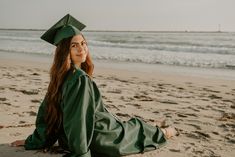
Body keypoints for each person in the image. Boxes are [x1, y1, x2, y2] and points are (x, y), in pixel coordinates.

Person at [11, 14, 178, 157]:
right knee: (136, 129)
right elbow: (76, 121)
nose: (81, 49)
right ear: (64, 51)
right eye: (73, 45)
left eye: (83, 43)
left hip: (79, 138)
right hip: (102, 138)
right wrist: (81, 153)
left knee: (132, 126)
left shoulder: (60, 77)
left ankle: (159, 126)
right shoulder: (79, 79)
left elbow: (47, 116)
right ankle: (166, 131)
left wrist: (34, 141)